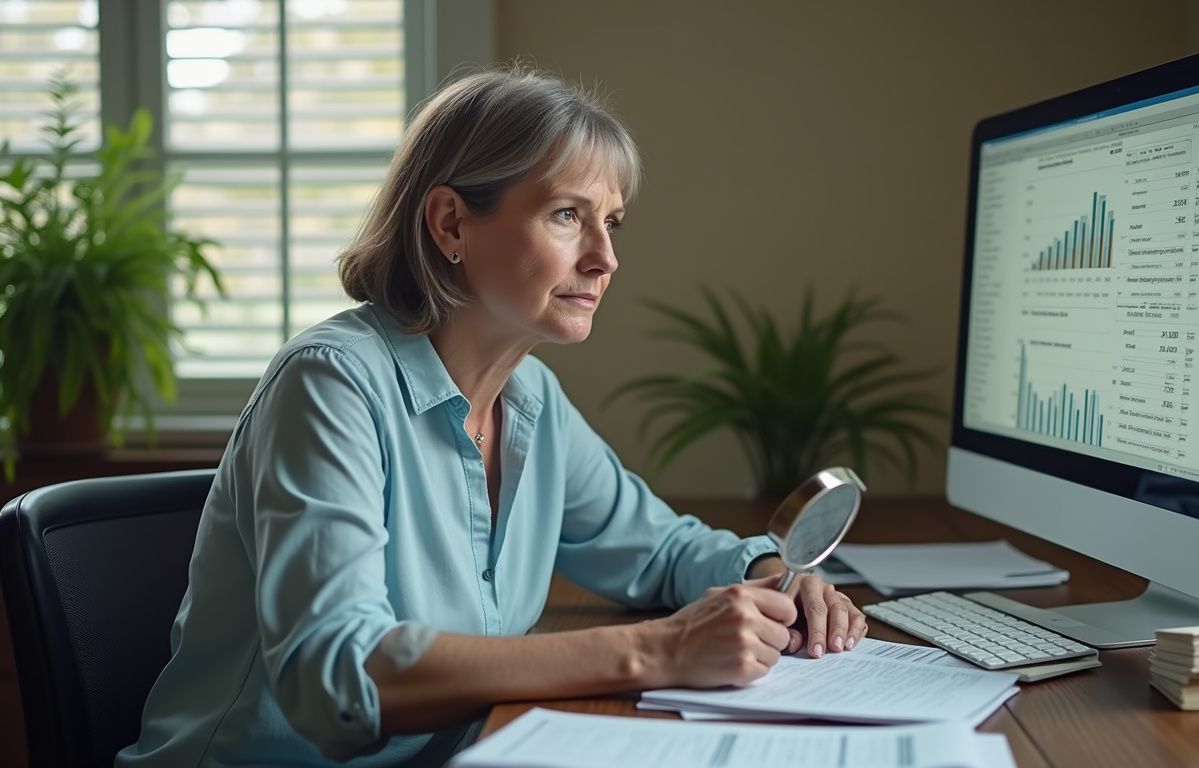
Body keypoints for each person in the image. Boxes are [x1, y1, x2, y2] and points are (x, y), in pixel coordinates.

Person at [117, 65, 867, 768]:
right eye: (568, 214)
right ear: (449, 224)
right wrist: (659, 650)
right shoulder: (331, 383)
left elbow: (662, 550)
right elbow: (334, 677)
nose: (605, 257)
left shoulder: (531, 400)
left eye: (613, 222)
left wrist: (772, 575)